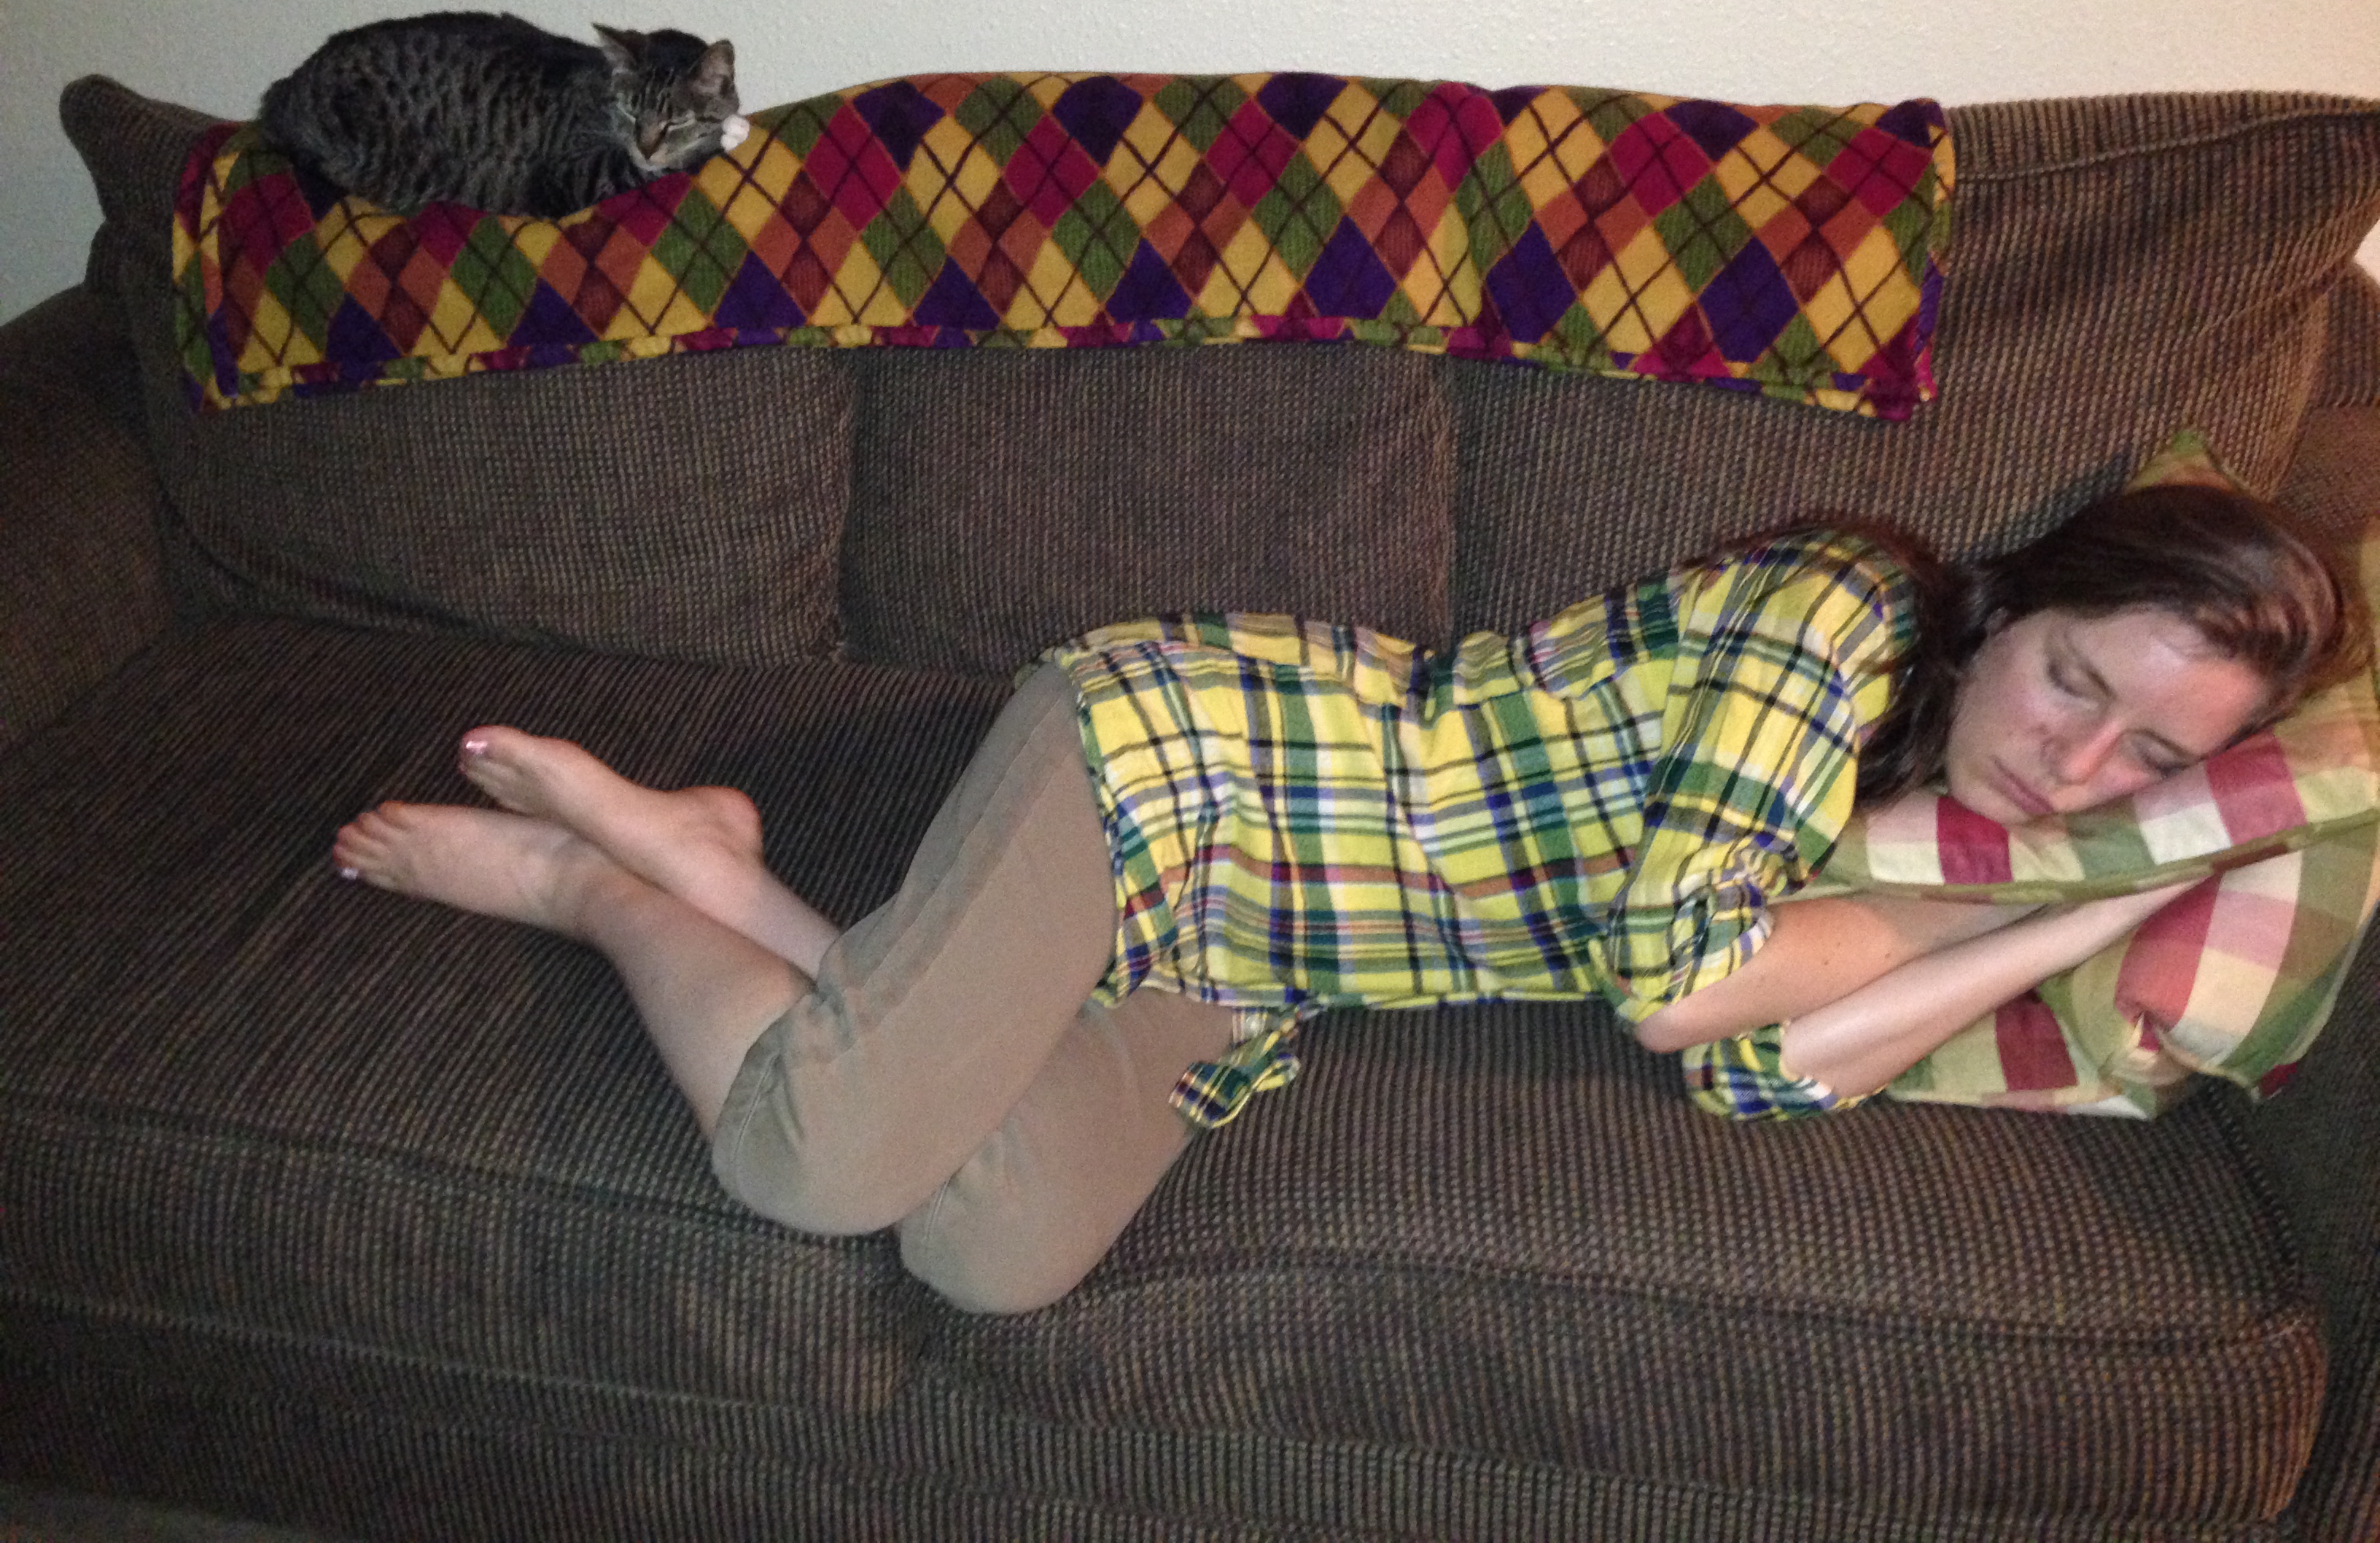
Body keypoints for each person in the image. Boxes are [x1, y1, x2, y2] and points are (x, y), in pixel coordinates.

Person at [332, 481, 2365, 1312]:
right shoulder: (1843, 618)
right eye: (2074, 682)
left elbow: (1775, 1071)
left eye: (2150, 765)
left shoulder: (1928, 817)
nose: (2074, 769)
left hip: (1252, 960)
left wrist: (2083, 904)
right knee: (822, 1160)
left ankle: (716, 862)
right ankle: (599, 889)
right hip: (1176, 767)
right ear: (2015, 606)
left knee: (997, 1250)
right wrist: (2015, 893)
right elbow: (1681, 991)